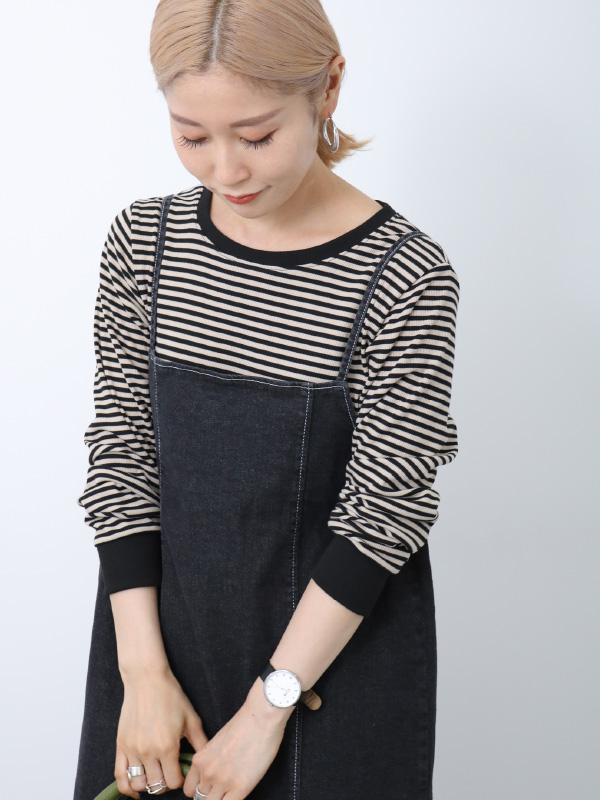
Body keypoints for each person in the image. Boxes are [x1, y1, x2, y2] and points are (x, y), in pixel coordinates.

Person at [73, 1, 460, 799]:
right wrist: (142, 675)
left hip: (330, 669)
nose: (226, 171)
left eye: (255, 137)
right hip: (157, 663)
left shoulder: (405, 278)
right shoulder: (144, 246)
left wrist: (267, 709)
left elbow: (384, 513)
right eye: (191, 136)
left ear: (329, 87)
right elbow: (122, 459)